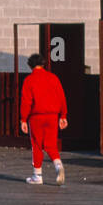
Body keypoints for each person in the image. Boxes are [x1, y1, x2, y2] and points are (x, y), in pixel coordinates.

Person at [20, 53, 67, 185]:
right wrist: (63, 115)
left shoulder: (29, 80)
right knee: (51, 145)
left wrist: (23, 119)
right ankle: (58, 165)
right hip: (53, 116)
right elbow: (61, 97)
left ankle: (37, 176)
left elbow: (26, 101)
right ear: (43, 64)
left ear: (30, 65)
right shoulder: (53, 78)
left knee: (37, 145)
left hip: (37, 116)